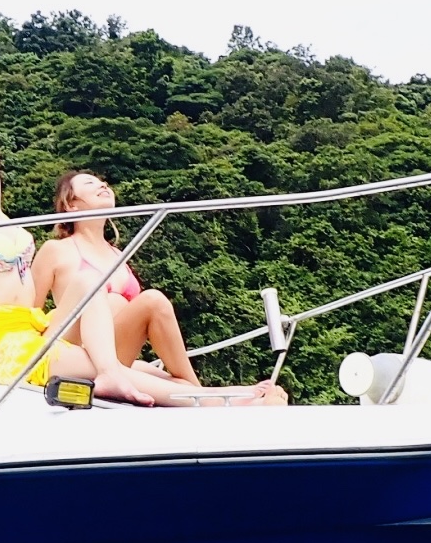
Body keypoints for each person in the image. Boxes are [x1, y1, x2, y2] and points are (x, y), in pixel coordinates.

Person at [0, 134, 282, 406]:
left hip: (33, 327)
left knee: (92, 288)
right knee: (124, 365)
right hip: (2, 345)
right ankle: (225, 401)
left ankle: (141, 379)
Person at [34, 170, 285, 404]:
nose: (102, 185)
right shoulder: (56, 250)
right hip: (74, 351)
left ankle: (205, 393)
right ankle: (209, 399)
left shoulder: (118, 254)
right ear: (70, 203)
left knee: (163, 353)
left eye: (103, 183)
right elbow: (26, 312)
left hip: (114, 351)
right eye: (89, 183)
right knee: (152, 299)